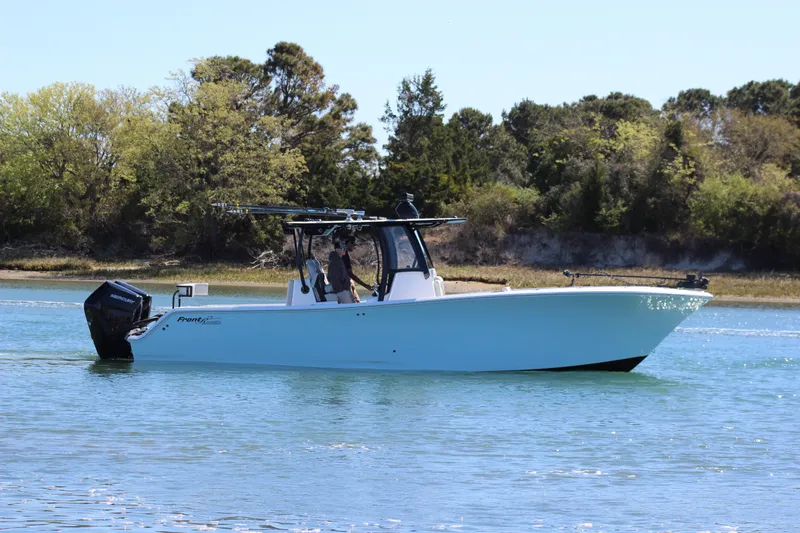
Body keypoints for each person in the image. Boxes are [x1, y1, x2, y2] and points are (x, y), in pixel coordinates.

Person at [343, 236, 373, 301]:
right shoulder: (344, 255)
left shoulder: (343, 253)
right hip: (345, 285)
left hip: (344, 283)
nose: (355, 247)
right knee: (356, 301)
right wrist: (365, 285)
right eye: (354, 244)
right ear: (349, 243)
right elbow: (350, 274)